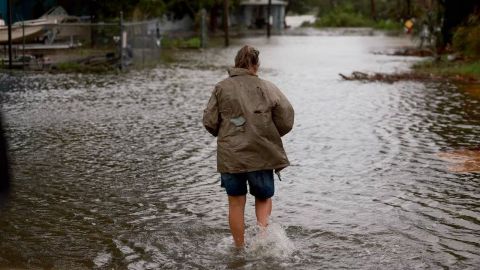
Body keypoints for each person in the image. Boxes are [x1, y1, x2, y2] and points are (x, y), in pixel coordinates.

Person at [203, 45, 294, 247]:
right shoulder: (268, 87)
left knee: (235, 203)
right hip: (261, 154)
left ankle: (238, 248)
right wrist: (267, 134)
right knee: (262, 198)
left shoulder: (221, 88)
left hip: (231, 156)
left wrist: (228, 134)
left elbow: (209, 122)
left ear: (236, 64)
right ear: (256, 65)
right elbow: (286, 119)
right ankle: (261, 243)